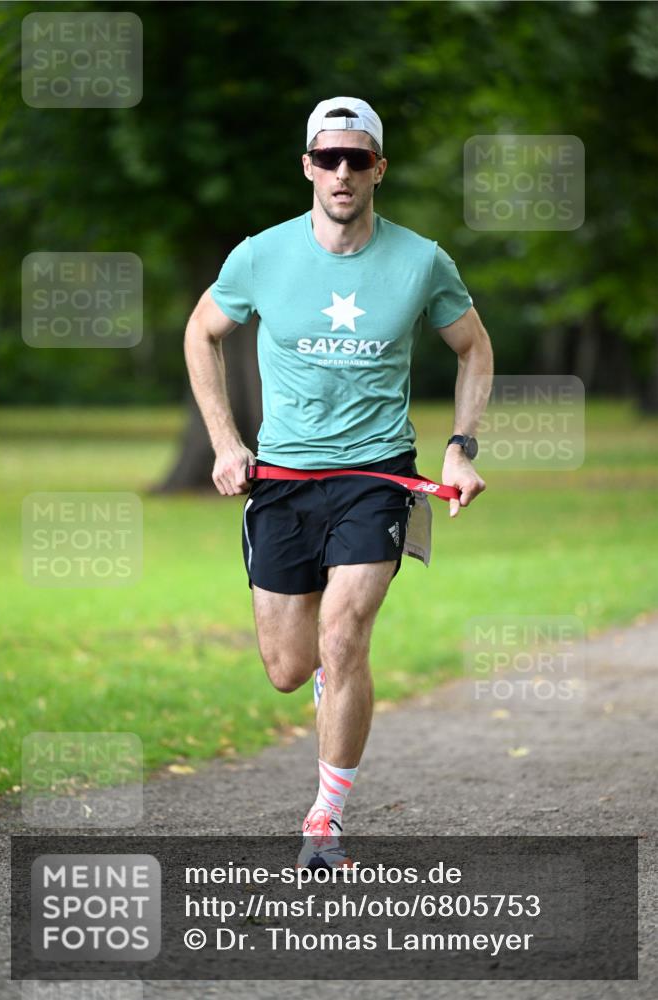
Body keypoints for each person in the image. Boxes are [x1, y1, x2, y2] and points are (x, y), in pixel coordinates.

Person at [184, 96, 493, 869]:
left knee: (345, 632)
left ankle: (324, 818)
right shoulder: (260, 256)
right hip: (284, 480)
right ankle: (326, 678)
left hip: (375, 475)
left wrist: (458, 449)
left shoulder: (421, 260)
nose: (343, 171)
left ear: (378, 167)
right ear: (308, 167)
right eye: (329, 157)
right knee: (290, 669)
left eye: (358, 157)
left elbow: (474, 350)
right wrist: (225, 442)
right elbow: (201, 331)